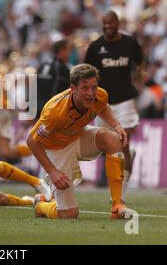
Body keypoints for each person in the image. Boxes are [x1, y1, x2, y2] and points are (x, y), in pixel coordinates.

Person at [27, 63, 136, 219]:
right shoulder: (55, 112)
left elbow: (102, 106)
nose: (91, 93)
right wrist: (52, 172)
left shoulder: (100, 95)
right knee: (69, 214)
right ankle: (40, 205)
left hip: (77, 135)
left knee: (112, 138)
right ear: (73, 88)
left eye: (94, 87)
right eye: (85, 88)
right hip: (57, 148)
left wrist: (117, 125)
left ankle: (117, 206)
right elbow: (32, 140)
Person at [84, 10, 146, 200]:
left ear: (118, 23)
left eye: (111, 23)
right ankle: (128, 159)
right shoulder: (95, 47)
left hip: (126, 100)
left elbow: (141, 63)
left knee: (122, 142)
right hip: (102, 104)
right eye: (105, 24)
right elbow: (85, 72)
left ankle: (120, 194)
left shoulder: (129, 43)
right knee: (106, 147)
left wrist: (139, 79)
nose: (108, 27)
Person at [36, 39, 71, 119]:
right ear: (62, 51)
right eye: (69, 51)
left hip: (37, 108)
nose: (70, 54)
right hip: (51, 110)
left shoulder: (43, 64)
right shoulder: (62, 68)